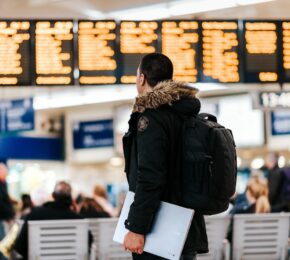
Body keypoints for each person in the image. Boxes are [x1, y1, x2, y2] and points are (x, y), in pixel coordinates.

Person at [122, 53, 208, 260]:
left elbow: (150, 176)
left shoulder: (151, 118)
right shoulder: (186, 115)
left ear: (142, 78)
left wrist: (137, 227)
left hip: (159, 230)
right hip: (186, 226)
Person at [14, 181, 92, 260]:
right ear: (71, 198)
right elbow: (87, 248)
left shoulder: (34, 215)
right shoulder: (79, 221)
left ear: (53, 195)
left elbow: (20, 248)